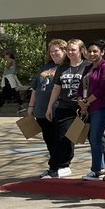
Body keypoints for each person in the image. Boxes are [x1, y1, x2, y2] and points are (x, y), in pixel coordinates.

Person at [43, 39, 91, 179]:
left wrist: (87, 103)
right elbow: (56, 89)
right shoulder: (62, 68)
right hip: (64, 107)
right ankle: (56, 167)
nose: (70, 52)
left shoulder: (88, 66)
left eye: (73, 49)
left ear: (81, 50)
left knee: (94, 137)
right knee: (61, 137)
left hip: (84, 107)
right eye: (68, 50)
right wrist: (49, 107)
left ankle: (100, 166)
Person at [28, 39, 67, 169]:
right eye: (51, 52)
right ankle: (55, 165)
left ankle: (60, 165)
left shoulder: (68, 67)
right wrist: (31, 106)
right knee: (48, 138)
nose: (53, 54)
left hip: (58, 109)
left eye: (56, 51)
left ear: (64, 51)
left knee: (60, 139)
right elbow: (35, 88)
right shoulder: (45, 67)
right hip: (41, 109)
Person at [78, 40, 105, 179]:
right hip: (88, 107)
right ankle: (102, 166)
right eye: (90, 51)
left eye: (95, 51)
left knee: (95, 137)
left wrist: (87, 101)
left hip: (101, 106)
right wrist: (80, 100)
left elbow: (103, 88)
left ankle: (96, 170)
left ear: (102, 52)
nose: (92, 54)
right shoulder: (88, 68)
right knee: (94, 136)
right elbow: (81, 87)